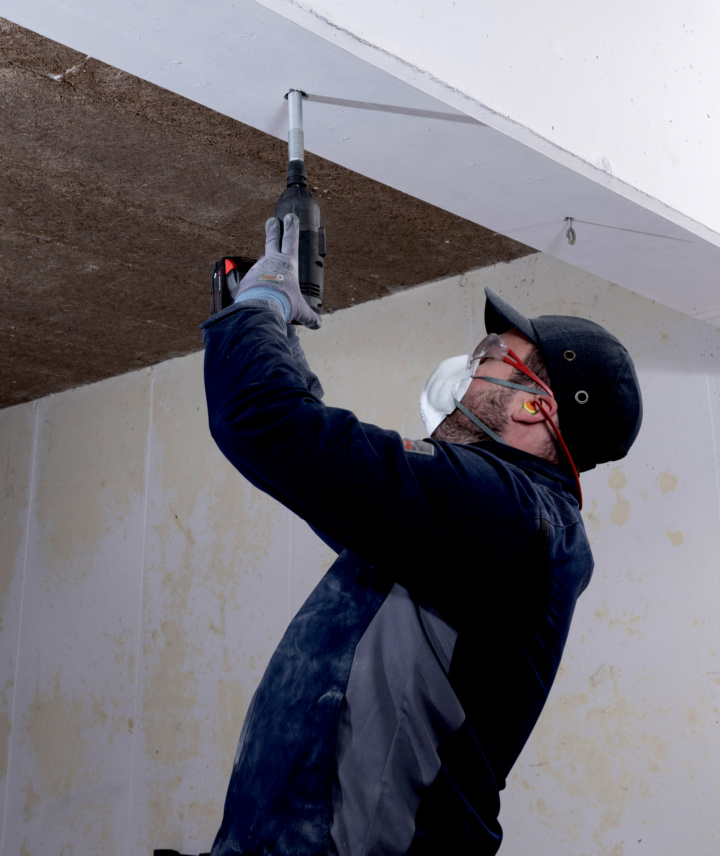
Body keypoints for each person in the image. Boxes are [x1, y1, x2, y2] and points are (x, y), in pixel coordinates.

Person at [201, 214, 643, 856]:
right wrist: (277, 335)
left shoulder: (511, 517)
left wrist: (257, 310)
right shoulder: (489, 525)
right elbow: (325, 474)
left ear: (534, 406)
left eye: (489, 360)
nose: (469, 372)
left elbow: (265, 425)